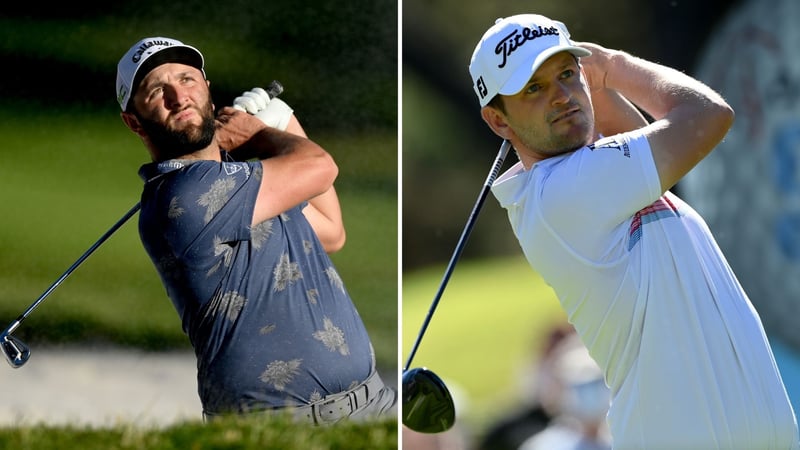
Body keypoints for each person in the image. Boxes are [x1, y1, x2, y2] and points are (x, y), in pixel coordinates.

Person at [468, 14, 799, 449]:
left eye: (568, 74)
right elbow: (708, 116)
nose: (563, 96)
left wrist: (596, 84)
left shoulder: (595, 178)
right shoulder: (563, 191)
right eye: (534, 88)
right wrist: (613, 66)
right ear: (498, 120)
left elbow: (642, 139)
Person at [115, 37, 395, 423]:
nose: (179, 96)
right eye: (156, 92)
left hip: (371, 402)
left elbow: (330, 229)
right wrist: (260, 135)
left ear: (208, 92)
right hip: (280, 426)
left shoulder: (245, 181)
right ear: (133, 121)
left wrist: (281, 120)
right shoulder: (182, 196)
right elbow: (321, 167)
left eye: (187, 79)